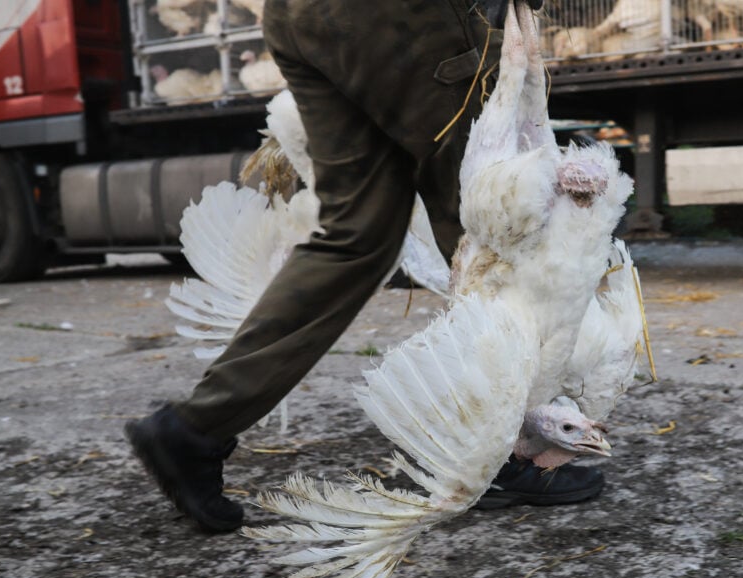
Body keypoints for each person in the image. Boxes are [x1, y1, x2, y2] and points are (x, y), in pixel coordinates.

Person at [125, 0, 605, 533]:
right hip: (406, 16)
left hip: (300, 16)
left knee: (356, 235)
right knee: (487, 228)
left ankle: (194, 428)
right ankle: (495, 452)